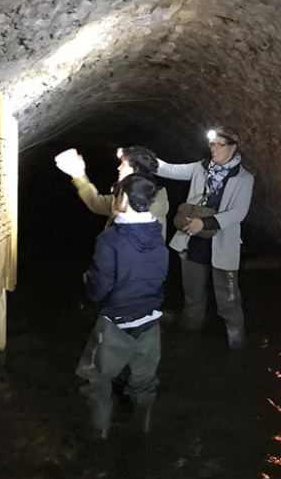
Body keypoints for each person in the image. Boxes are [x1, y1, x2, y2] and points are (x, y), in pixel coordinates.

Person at [75, 173, 169, 440]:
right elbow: (158, 274)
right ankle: (143, 437)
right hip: (150, 324)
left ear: (124, 199)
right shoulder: (157, 237)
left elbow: (100, 288)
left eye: (116, 194)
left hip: (116, 324)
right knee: (144, 384)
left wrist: (89, 281)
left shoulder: (111, 240)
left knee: (96, 379)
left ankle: (98, 439)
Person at [154, 128, 254, 350]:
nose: (214, 149)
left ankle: (237, 347)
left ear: (232, 147)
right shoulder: (201, 168)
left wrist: (206, 223)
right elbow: (171, 170)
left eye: (220, 144)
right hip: (193, 240)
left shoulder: (244, 178)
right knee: (193, 300)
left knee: (229, 301)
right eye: (212, 144)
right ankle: (189, 346)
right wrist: (148, 160)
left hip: (223, 243)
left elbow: (239, 212)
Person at [55, 146, 169, 239]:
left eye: (123, 164)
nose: (119, 168)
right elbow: (96, 203)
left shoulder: (152, 203)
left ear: (136, 170)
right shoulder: (129, 195)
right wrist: (78, 174)